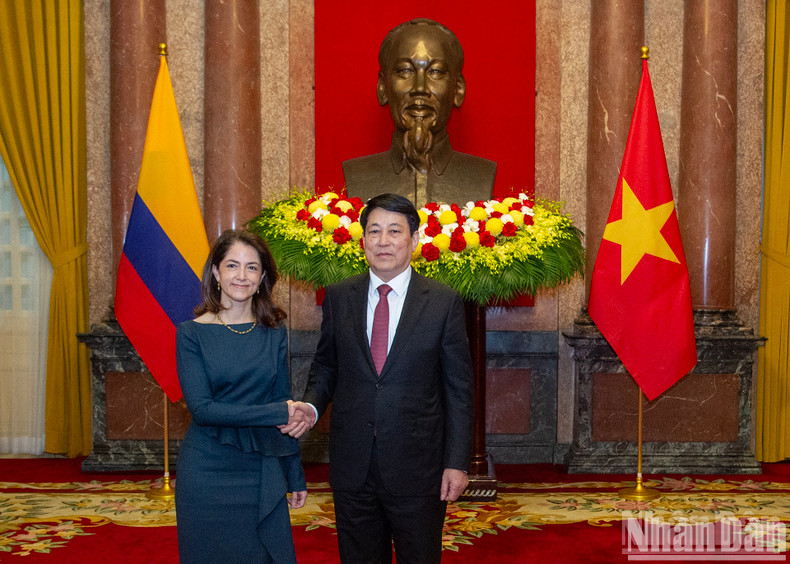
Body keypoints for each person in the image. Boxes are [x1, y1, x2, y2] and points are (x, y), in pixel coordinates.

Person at [283, 194, 474, 563]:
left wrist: (457, 461)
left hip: (419, 467)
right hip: (353, 465)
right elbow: (326, 366)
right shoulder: (340, 297)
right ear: (363, 241)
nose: (383, 240)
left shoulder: (443, 301)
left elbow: (459, 390)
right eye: (374, 231)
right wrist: (310, 404)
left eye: (394, 231)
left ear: (414, 241)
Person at [175, 229, 307, 564]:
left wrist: (294, 473)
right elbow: (203, 409)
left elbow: (284, 404)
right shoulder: (191, 333)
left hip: (261, 466)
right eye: (232, 265)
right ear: (216, 272)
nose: (242, 275)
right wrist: (277, 411)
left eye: (252, 267)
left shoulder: (274, 333)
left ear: (263, 276)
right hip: (206, 468)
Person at [343, 18, 496, 207]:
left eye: (436, 72)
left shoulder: (481, 174)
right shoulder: (358, 174)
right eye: (405, 71)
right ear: (383, 87)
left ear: (457, 89)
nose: (420, 88)